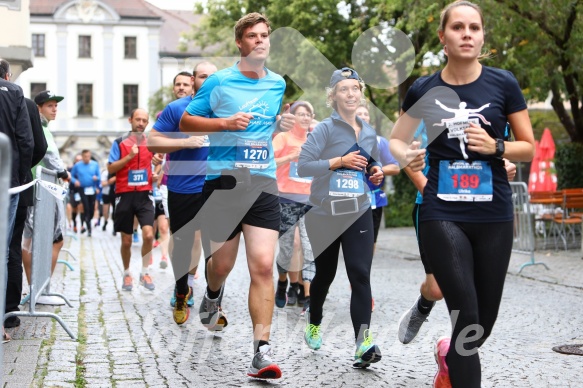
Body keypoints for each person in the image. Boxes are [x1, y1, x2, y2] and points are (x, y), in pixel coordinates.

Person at [389, 2, 535, 387]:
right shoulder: (424, 87)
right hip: (443, 212)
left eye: (474, 27)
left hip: (494, 216)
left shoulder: (503, 83)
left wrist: (496, 147)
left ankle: (446, 354)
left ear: (483, 35)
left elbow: (529, 147)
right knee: (466, 319)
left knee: (480, 327)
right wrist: (409, 155)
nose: (467, 33)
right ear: (443, 37)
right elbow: (395, 140)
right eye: (458, 27)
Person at [180, 13, 291, 379]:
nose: (260, 41)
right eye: (252, 36)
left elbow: (264, 127)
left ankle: (261, 351)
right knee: (222, 266)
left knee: (261, 265)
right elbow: (187, 122)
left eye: (264, 36)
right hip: (224, 183)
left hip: (262, 182)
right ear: (240, 43)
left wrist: (279, 126)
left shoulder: (276, 84)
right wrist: (225, 124)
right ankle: (213, 294)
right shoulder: (218, 81)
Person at [397, 123, 517, 346]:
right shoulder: (432, 106)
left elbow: (500, 153)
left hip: (481, 210)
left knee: (472, 296)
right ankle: (424, 304)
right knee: (437, 289)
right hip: (436, 209)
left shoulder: (493, 107)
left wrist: (505, 167)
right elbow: (405, 153)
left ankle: (451, 355)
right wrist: (430, 193)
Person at [297, 67, 384, 369]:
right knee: (326, 275)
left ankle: (363, 343)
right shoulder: (324, 129)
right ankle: (314, 318)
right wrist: (339, 161)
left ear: (361, 93)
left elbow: (369, 165)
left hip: (357, 211)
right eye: (343, 89)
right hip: (323, 214)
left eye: (355, 89)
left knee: (359, 273)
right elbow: (303, 166)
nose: (350, 94)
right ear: (333, 96)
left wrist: (375, 172)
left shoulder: (369, 132)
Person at [148, 62, 219, 323]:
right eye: (203, 76)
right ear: (194, 79)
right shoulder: (177, 109)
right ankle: (180, 291)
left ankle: (213, 304)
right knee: (182, 245)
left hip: (217, 188)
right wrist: (184, 142)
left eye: (213, 77)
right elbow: (152, 142)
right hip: (183, 188)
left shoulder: (226, 110)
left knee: (217, 250)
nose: (208, 80)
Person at [21, 90, 71, 306]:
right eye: (50, 106)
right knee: (42, 241)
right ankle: (38, 289)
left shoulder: (42, 128)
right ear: (38, 108)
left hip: (40, 192)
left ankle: (38, 288)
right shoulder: (39, 128)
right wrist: (64, 172)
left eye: (56, 106)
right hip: (41, 193)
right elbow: (49, 157)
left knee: (37, 241)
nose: (55, 109)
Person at [1, 59, 38, 337]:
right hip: (9, 183)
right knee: (6, 247)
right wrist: (22, 175)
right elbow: (27, 140)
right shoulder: (14, 93)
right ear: (7, 74)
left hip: (11, 180)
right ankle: (6, 316)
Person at [355, 103, 400, 312]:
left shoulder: (380, 142)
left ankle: (363, 287)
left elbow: (395, 167)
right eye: (359, 114)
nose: (363, 116)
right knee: (353, 247)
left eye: (366, 114)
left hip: (374, 200)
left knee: (368, 246)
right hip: (349, 200)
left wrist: (377, 168)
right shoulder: (344, 140)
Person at [273, 101, 315, 315]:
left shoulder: (315, 140)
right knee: (289, 248)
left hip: (309, 200)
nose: (305, 117)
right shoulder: (283, 138)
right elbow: (270, 161)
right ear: (293, 117)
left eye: (308, 114)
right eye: (301, 114)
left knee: (306, 246)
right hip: (285, 199)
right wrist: (291, 157)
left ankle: (306, 294)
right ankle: (282, 282)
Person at [108, 108, 157, 292]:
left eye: (144, 120)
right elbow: (111, 168)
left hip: (144, 195)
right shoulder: (119, 143)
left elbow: (156, 164)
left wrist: (156, 173)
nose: (141, 123)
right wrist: (129, 156)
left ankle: (144, 272)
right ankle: (127, 273)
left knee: (149, 235)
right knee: (127, 240)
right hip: (124, 194)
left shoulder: (151, 143)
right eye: (138, 119)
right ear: (130, 120)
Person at [70, 149, 101, 237]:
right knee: (86, 207)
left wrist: (96, 178)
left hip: (92, 189)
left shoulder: (95, 164)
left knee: (91, 208)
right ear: (82, 157)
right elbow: (71, 176)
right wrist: (75, 181)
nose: (87, 158)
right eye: (85, 157)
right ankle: (89, 228)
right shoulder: (77, 165)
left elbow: (99, 176)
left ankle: (89, 219)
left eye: (88, 156)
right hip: (82, 189)